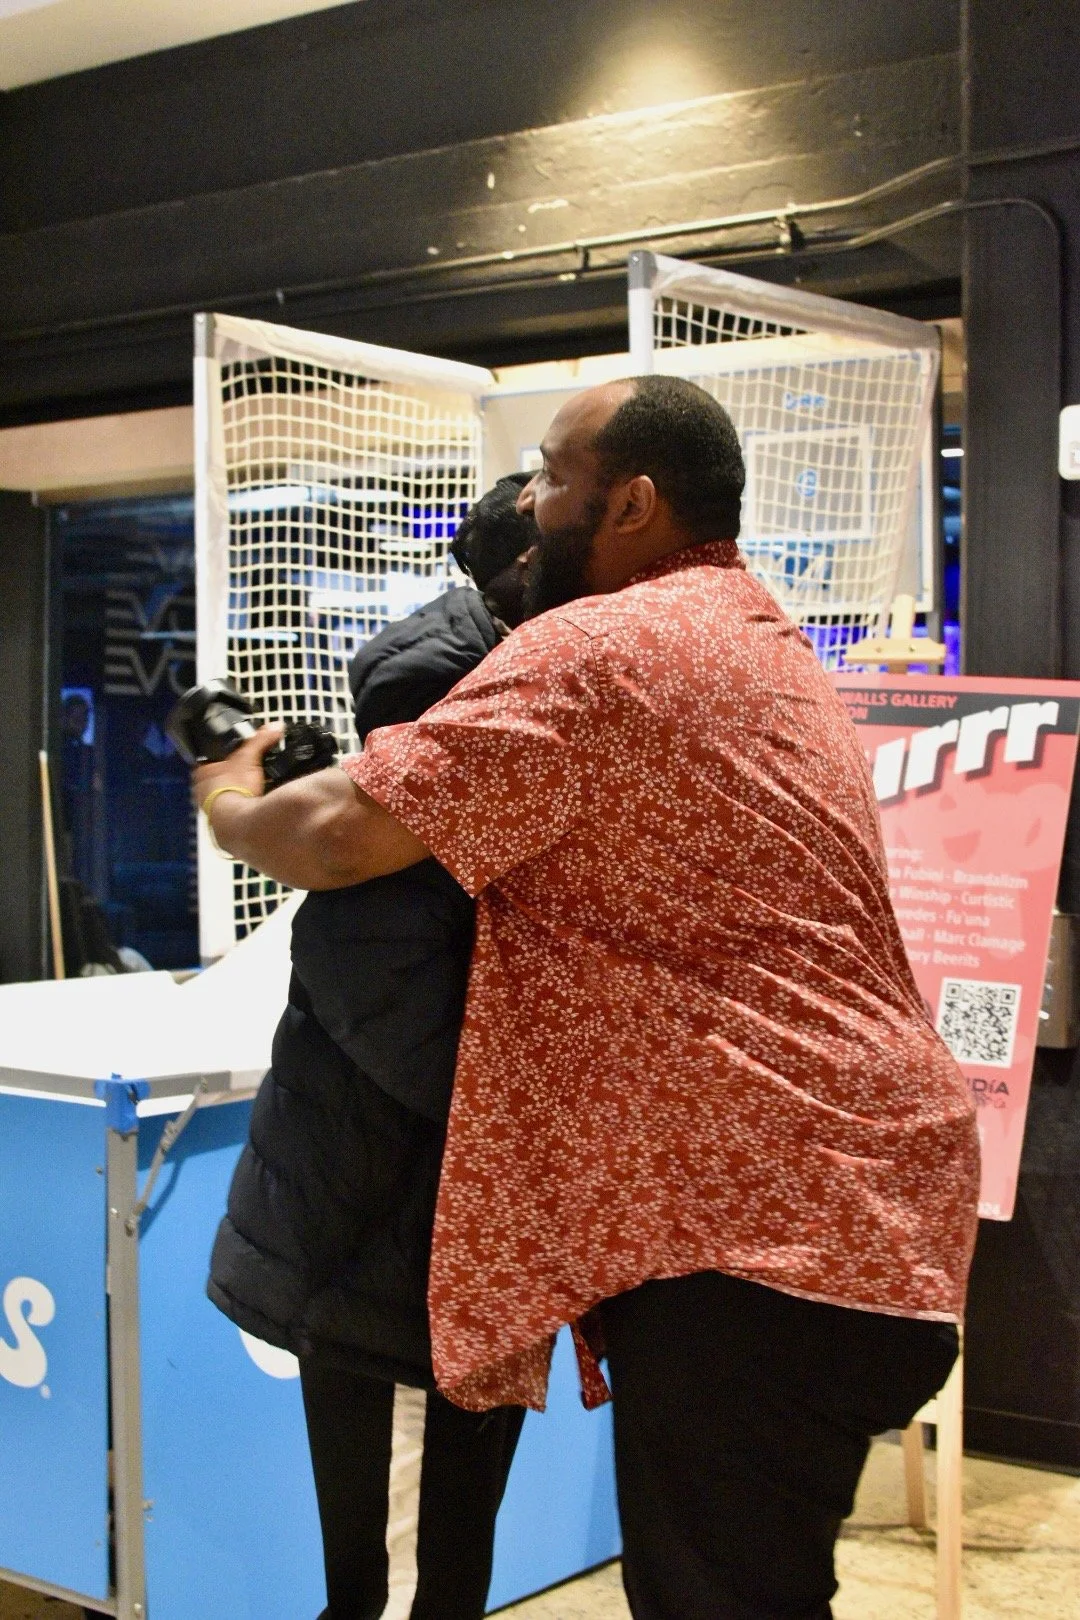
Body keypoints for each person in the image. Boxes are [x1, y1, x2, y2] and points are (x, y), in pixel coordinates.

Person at [195, 378, 980, 1620]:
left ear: (633, 502)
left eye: (550, 475)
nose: (524, 500)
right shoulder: (762, 642)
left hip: (753, 1243)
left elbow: (341, 837)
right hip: (871, 1223)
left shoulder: (597, 651)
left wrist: (228, 798)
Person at [205, 473, 534, 1620]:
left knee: (439, 1559)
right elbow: (384, 989)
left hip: (432, 1209)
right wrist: (529, 1112)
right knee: (384, 1571)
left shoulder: (477, 730)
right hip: (380, 1205)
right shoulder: (441, 747)